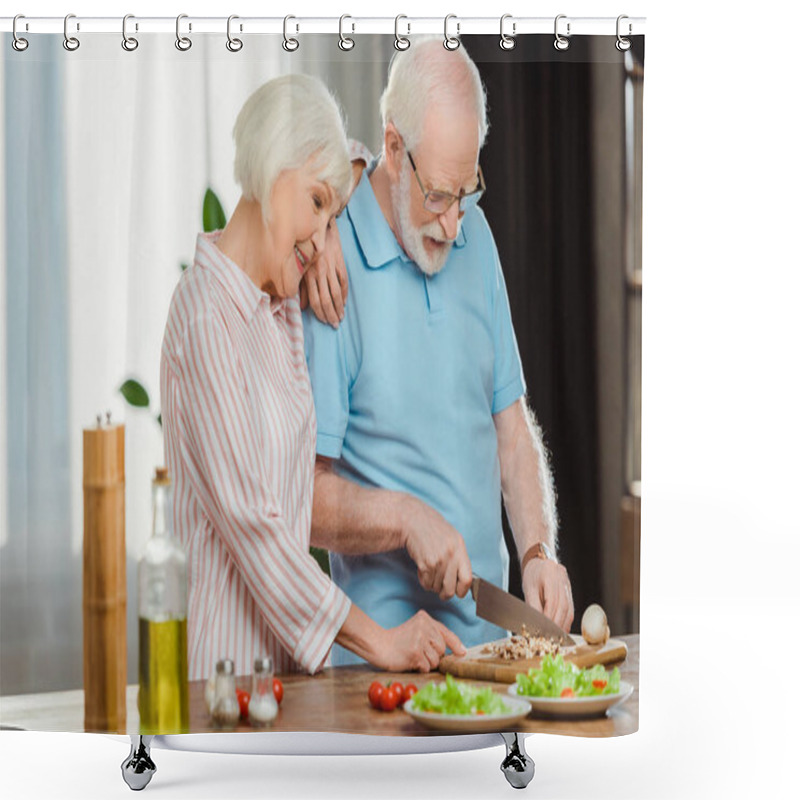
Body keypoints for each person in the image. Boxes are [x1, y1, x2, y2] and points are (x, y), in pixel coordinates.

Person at [160, 75, 465, 681]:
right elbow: (255, 527)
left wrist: (320, 220)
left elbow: (349, 149)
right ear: (274, 171)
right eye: (317, 204)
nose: (326, 238)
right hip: (225, 686)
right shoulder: (204, 317)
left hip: (285, 688)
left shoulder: (276, 310)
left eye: (334, 215)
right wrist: (380, 642)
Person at [303, 39, 574, 666]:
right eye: (437, 197)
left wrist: (536, 551)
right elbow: (303, 501)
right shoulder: (330, 265)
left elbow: (511, 429)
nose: (455, 224)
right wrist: (405, 519)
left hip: (493, 654)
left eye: (467, 189)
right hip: (385, 667)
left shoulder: (474, 235)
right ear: (393, 149)